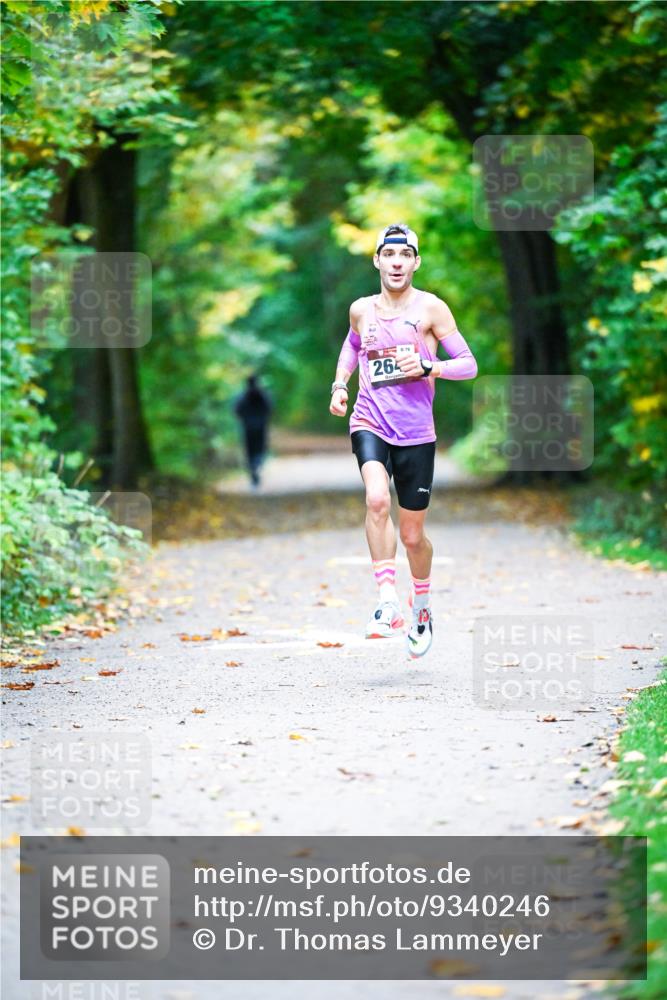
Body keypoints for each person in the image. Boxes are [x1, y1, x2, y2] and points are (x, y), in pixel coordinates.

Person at [329, 223, 478, 658]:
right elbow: (351, 348)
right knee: (376, 500)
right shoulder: (361, 309)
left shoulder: (432, 309)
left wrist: (430, 367)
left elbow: (468, 365)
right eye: (388, 255)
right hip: (369, 420)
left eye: (405, 255)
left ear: (415, 262)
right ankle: (387, 603)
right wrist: (340, 385)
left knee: (413, 536)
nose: (396, 262)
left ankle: (423, 606)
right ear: (377, 260)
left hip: (416, 432)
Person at [234, 373, 272, 488]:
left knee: (250, 451)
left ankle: (253, 471)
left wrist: (245, 420)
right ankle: (257, 464)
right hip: (260, 428)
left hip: (248, 428)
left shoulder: (243, 396)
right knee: (259, 449)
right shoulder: (263, 395)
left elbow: (237, 410)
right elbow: (269, 409)